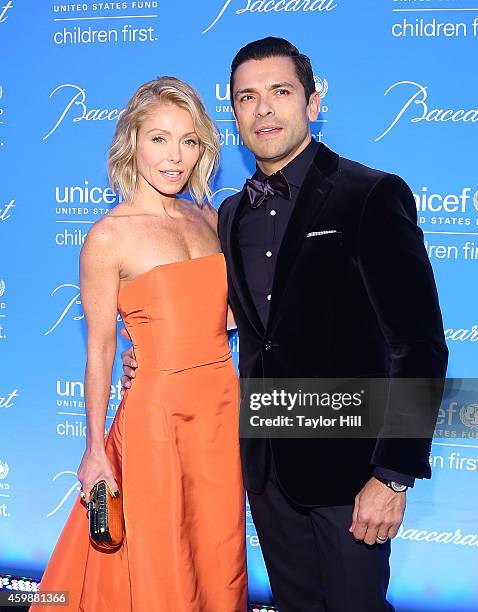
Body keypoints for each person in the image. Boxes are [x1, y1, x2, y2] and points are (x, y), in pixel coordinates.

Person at [122, 38, 448, 612]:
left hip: (351, 470)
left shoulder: (369, 194)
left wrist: (393, 475)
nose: (263, 109)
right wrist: (154, 350)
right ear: (235, 113)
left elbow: (418, 346)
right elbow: (238, 320)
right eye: (247, 97)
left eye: (280, 92)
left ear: (313, 102)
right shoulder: (230, 215)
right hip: (267, 468)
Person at [32, 76, 247, 612]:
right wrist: (94, 450)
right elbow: (101, 351)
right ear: (132, 141)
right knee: (165, 556)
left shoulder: (210, 219)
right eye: (159, 138)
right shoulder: (108, 237)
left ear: (203, 148)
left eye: (189, 140)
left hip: (221, 407)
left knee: (220, 552)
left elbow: (225, 313)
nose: (174, 157)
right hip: (157, 418)